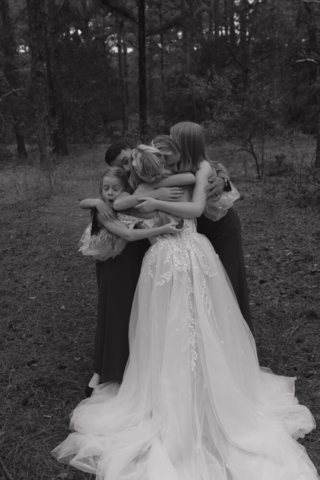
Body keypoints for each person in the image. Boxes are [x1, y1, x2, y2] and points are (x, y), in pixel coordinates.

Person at [52, 146, 317, 480]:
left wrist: (156, 196)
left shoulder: (160, 188)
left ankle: (205, 382)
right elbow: (120, 203)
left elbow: (164, 196)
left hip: (182, 259)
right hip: (176, 259)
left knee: (198, 319)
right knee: (170, 323)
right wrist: (104, 201)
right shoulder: (168, 185)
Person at [80, 149, 194, 395]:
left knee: (141, 310)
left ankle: (138, 363)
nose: (128, 164)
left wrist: (158, 193)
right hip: (117, 258)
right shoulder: (114, 198)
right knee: (113, 311)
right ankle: (103, 368)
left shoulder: (142, 182)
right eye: (122, 162)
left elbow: (186, 181)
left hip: (143, 255)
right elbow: (99, 204)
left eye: (129, 159)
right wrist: (98, 201)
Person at [171, 122, 253, 333]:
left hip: (222, 228)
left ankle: (236, 336)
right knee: (203, 284)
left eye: (173, 139)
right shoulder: (173, 162)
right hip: (198, 231)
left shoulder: (205, 166)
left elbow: (214, 166)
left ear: (184, 144)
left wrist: (223, 179)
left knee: (228, 282)